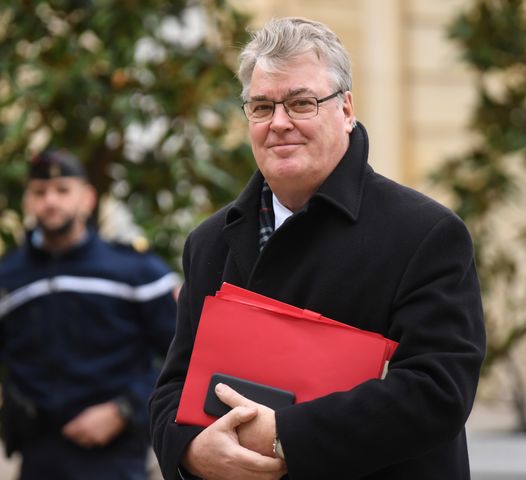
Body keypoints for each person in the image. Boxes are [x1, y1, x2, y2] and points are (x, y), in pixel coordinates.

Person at [149, 16, 485, 480]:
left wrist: (285, 433)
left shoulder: (426, 233)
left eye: (302, 103)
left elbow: (438, 392)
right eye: (262, 107)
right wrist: (190, 451)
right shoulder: (209, 242)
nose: (279, 123)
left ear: (346, 110)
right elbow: (172, 389)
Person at [0, 150, 178, 480]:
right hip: (38, 454)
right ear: (28, 201)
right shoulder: (4, 279)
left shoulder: (136, 272)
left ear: (87, 198)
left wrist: (124, 409)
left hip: (116, 456)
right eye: (40, 192)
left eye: (62, 190)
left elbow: (180, 356)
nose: (51, 201)